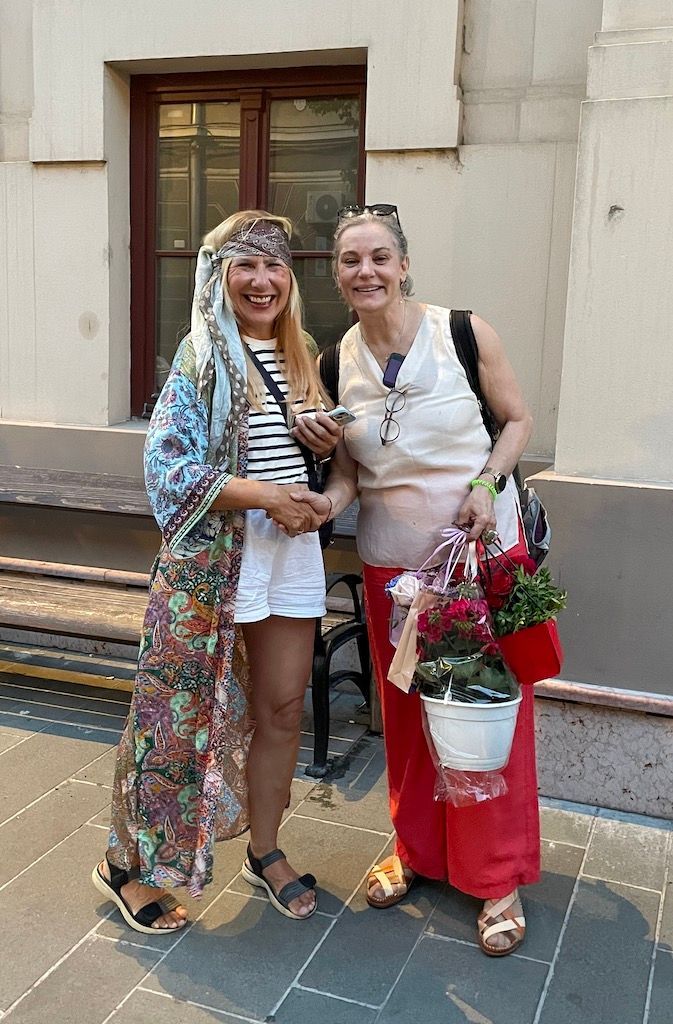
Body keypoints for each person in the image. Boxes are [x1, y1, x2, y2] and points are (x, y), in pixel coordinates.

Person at [292, 204, 539, 956]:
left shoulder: (462, 332)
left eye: (378, 257)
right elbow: (347, 476)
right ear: (337, 275)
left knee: (483, 716)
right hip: (392, 570)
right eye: (350, 260)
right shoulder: (334, 363)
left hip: (477, 562)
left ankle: (496, 875)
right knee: (404, 717)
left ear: (403, 265)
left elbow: (517, 420)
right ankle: (416, 851)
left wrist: (487, 484)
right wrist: (321, 504)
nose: (364, 271)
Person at [92, 210, 341, 933]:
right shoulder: (200, 354)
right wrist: (267, 496)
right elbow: (166, 468)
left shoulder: (304, 356)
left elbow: (313, 460)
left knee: (282, 710)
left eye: (274, 266)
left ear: (290, 278)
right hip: (210, 561)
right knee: (173, 717)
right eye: (245, 266)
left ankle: (266, 851)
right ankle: (126, 866)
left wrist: (321, 462)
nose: (262, 281)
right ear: (220, 274)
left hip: (288, 555)